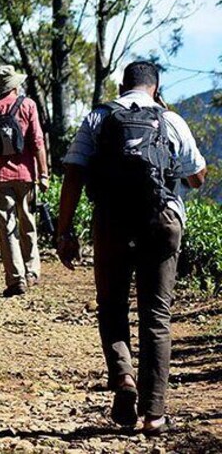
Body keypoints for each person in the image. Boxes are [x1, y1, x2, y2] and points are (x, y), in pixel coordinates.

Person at [57, 61, 207, 435]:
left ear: (121, 85)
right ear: (155, 87)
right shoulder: (171, 120)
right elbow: (198, 177)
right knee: (156, 315)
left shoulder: (98, 118)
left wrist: (64, 231)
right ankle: (154, 414)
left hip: (111, 221)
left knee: (112, 305)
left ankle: (123, 377)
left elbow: (73, 172)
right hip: (162, 219)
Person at [0, 65, 49, 297]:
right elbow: (37, 142)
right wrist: (43, 174)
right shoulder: (28, 105)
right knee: (28, 222)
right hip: (26, 175)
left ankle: (16, 278)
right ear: (15, 85)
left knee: (7, 228)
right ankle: (31, 271)